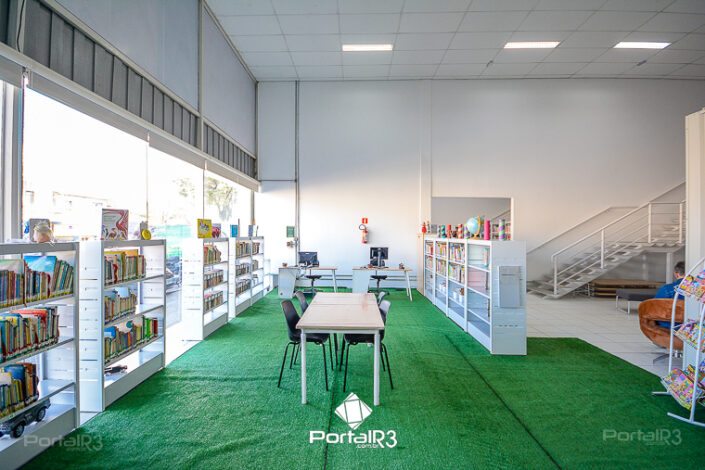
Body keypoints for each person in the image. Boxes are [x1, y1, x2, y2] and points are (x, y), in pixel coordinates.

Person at [654, 261, 685, 329]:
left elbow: (654, 308)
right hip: (695, 328)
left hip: (669, 327)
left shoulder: (666, 289)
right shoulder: (699, 291)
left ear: (676, 274)